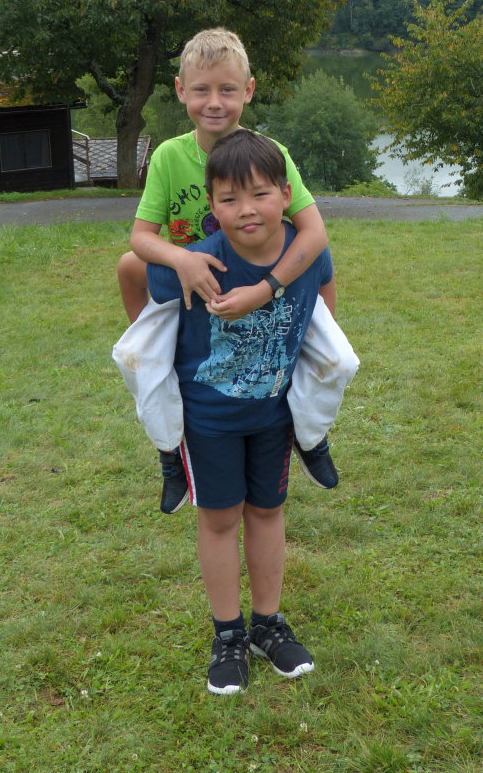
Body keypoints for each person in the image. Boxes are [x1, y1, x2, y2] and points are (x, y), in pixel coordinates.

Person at [145, 129, 340, 694]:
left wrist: (317, 363)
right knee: (219, 519)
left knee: (268, 512)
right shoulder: (197, 262)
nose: (246, 209)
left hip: (274, 416)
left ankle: (267, 625)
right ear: (212, 206)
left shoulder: (305, 253)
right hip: (208, 423)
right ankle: (228, 633)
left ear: (286, 194)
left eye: (260, 194)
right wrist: (146, 371)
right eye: (229, 199)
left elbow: (325, 293)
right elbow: (136, 271)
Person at [117, 27, 340, 514]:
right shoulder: (170, 156)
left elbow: (315, 234)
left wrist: (269, 290)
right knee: (142, 363)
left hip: (268, 286)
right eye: (201, 89)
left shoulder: (269, 153)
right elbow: (140, 240)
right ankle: (171, 450)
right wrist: (180, 260)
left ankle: (310, 433)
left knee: (334, 360)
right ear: (181, 91)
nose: (214, 102)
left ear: (249, 91)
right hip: (198, 288)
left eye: (227, 89)